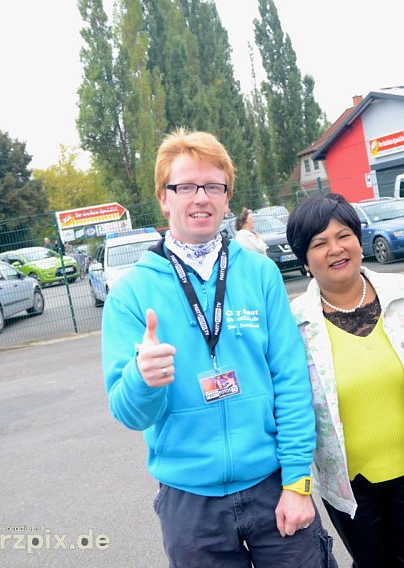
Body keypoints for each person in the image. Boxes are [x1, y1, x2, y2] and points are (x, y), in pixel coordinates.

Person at [101, 128, 335, 567]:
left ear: (227, 198)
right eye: (185, 186)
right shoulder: (130, 293)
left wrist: (299, 480)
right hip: (190, 503)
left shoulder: (259, 274)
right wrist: (142, 379)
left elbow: (290, 379)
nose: (201, 198)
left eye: (213, 186)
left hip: (274, 484)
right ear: (163, 197)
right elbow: (130, 413)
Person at [286, 193, 404, 568]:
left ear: (359, 238)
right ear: (304, 259)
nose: (335, 249)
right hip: (349, 487)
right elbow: (288, 406)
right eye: (319, 243)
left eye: (343, 236)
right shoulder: (294, 323)